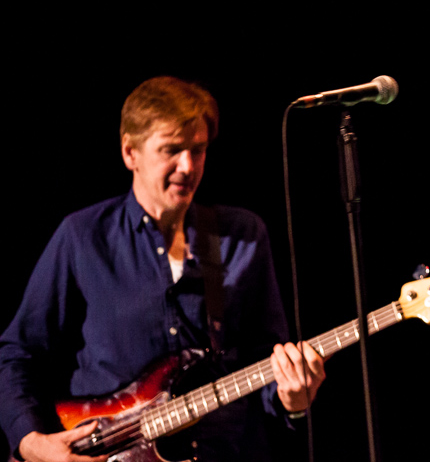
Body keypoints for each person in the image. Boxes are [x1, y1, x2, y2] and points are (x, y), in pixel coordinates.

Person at [0, 76, 325, 462]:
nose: (188, 166)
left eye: (199, 150)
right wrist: (32, 442)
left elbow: (267, 361)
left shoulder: (243, 236)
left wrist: (293, 399)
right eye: (171, 150)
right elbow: (20, 354)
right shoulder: (82, 237)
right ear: (129, 152)